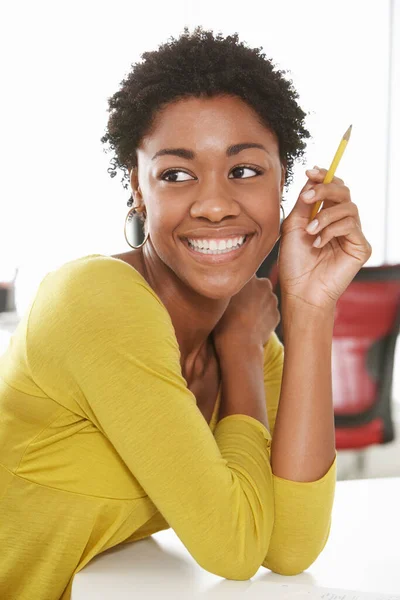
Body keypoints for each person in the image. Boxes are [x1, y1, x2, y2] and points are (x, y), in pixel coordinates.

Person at [0, 27, 372, 600]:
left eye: (245, 171)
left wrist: (310, 307)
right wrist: (243, 355)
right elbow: (235, 548)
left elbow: (290, 547)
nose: (216, 205)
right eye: (176, 174)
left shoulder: (247, 333)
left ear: (284, 188)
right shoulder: (96, 300)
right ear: (139, 190)